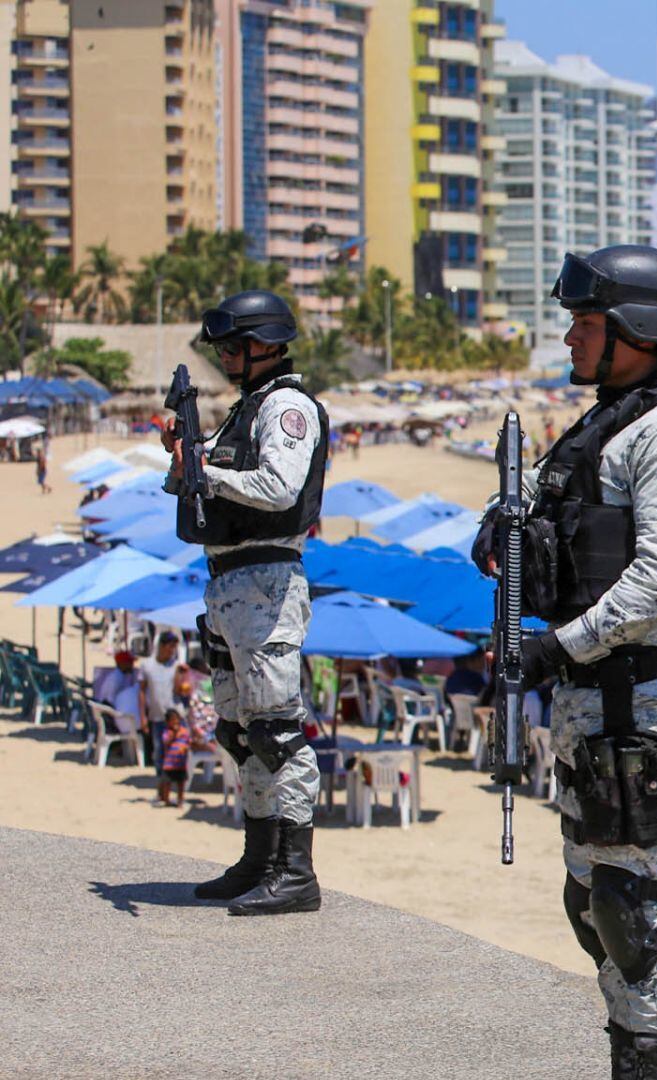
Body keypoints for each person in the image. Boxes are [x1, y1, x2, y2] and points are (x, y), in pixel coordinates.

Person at [472, 244, 657, 1080]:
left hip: (641, 698)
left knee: (635, 908)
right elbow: (550, 525)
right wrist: (502, 535)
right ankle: (631, 1051)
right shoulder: (603, 425)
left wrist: (559, 645)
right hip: (592, 702)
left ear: (637, 330)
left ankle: (655, 1067)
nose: (572, 339)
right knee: (591, 901)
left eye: (587, 323)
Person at [168, 289, 329, 917]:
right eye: (225, 348)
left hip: (266, 579)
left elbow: (279, 485)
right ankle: (259, 858)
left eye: (235, 346)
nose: (228, 357)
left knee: (277, 731)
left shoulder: (286, 407)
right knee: (241, 731)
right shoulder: (249, 408)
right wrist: (185, 463)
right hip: (233, 581)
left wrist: (205, 471)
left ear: (265, 344)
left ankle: (295, 870)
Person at [138, 632, 185, 782]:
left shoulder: (176, 665)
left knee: (177, 752)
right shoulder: (147, 665)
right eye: (170, 647)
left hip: (176, 716)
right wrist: (143, 717)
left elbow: (178, 690)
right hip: (157, 716)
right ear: (162, 646)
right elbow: (141, 692)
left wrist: (181, 675)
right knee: (159, 751)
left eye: (174, 648)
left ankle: (175, 783)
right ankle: (162, 783)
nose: (172, 651)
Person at [155, 707, 195, 808]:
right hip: (169, 764)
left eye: (176, 719)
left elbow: (189, 742)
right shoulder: (167, 732)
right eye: (172, 720)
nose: (175, 722)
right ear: (167, 722)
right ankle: (166, 799)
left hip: (181, 763)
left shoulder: (184, 731)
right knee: (167, 783)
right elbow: (166, 741)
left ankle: (180, 800)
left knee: (180, 784)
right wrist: (174, 734)